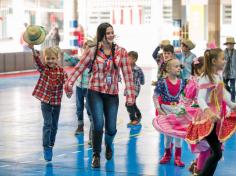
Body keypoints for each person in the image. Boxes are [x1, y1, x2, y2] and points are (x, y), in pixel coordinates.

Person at [64, 22, 135, 168]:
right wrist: (69, 83)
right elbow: (79, 68)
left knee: (111, 128)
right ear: (101, 35)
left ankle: (109, 145)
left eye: (112, 32)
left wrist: (130, 95)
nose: (110, 35)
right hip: (94, 91)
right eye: (107, 33)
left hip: (111, 93)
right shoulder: (92, 51)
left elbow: (127, 75)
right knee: (98, 125)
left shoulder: (121, 52)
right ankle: (96, 155)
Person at [186, 48, 236, 176]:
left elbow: (223, 93)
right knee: (217, 153)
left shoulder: (217, 75)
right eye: (222, 58)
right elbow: (200, 98)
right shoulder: (205, 77)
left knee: (216, 154)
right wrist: (208, 112)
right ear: (214, 61)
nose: (225, 61)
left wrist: (232, 105)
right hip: (207, 119)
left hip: (217, 117)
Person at [23, 25, 68, 162]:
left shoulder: (61, 72)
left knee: (54, 125)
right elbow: (37, 61)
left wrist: (69, 88)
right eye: (48, 58)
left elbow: (67, 83)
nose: (50, 61)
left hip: (57, 102)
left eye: (52, 58)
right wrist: (32, 49)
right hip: (46, 102)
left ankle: (51, 144)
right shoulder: (44, 69)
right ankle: (46, 147)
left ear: (57, 59)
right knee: (47, 123)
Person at [153, 59, 186, 167]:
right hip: (165, 110)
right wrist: (159, 109)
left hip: (178, 111)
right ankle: (167, 154)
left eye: (179, 66)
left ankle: (178, 156)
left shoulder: (182, 82)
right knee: (167, 135)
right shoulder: (162, 82)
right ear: (168, 69)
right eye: (176, 66)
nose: (178, 68)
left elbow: (185, 96)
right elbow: (155, 96)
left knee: (179, 135)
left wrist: (185, 107)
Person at [125, 51, 145, 126]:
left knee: (129, 104)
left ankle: (134, 119)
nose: (128, 60)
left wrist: (142, 82)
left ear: (135, 59)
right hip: (128, 88)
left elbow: (142, 76)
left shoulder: (138, 69)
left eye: (130, 59)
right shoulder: (126, 68)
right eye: (128, 58)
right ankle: (138, 115)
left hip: (135, 88)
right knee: (131, 103)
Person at [223, 37, 236, 102]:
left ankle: (233, 100)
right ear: (227, 45)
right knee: (224, 86)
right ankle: (226, 99)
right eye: (229, 44)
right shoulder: (223, 52)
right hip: (225, 72)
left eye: (232, 44)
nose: (231, 45)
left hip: (233, 72)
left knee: (233, 87)